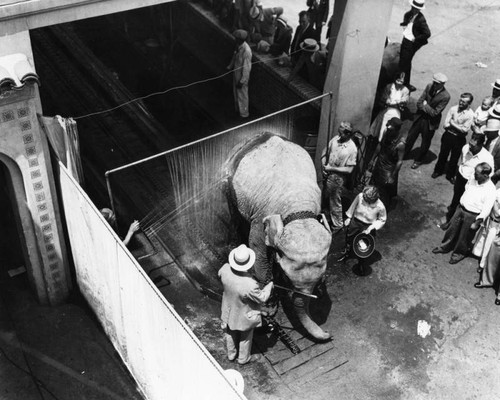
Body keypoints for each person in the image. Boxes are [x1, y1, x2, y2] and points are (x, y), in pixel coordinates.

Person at [218, 244, 273, 365]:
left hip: (228, 309)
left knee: (229, 332)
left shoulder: (225, 268)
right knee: (246, 337)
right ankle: (243, 359)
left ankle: (231, 354)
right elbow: (262, 298)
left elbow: (220, 276)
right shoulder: (250, 284)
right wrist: (269, 286)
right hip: (244, 315)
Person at [433, 163, 496, 264]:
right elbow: (467, 187)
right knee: (451, 229)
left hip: (473, 215)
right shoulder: (473, 177)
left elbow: (486, 209)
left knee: (465, 237)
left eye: (477, 173)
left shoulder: (491, 190)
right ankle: (445, 247)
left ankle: (458, 254)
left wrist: (476, 223)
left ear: (485, 175)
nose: (474, 175)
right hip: (461, 209)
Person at [441, 133, 494, 227]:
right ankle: (449, 220)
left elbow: (489, 174)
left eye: (473, 146)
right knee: (455, 199)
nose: (470, 147)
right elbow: (462, 161)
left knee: (465, 204)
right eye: (470, 144)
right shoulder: (465, 147)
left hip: (473, 183)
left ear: (481, 145)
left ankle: (457, 224)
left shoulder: (487, 158)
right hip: (461, 177)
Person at [405, 72, 450, 169]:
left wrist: (425, 105)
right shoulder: (429, 86)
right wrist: (425, 106)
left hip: (430, 122)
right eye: (434, 82)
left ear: (442, 84)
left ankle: (418, 160)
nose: (434, 85)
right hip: (420, 117)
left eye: (437, 84)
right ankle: (404, 154)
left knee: (425, 142)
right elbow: (419, 102)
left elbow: (435, 113)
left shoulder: (446, 96)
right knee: (410, 137)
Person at [338, 186, 386, 271]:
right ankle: (347, 254)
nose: (365, 201)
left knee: (364, 245)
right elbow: (353, 206)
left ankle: (361, 263)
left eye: (367, 200)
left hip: (367, 226)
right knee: (349, 237)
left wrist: (371, 227)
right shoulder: (360, 196)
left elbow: (382, 219)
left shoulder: (380, 206)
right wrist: (349, 217)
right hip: (356, 221)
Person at [321, 121, 358, 232]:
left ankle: (338, 224)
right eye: (339, 132)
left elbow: (349, 169)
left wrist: (331, 168)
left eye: (342, 134)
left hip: (337, 178)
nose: (340, 136)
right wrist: (323, 165)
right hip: (327, 173)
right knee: (325, 196)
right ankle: (325, 215)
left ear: (348, 134)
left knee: (334, 201)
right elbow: (325, 151)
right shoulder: (335, 139)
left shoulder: (352, 149)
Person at [431, 93, 474, 180]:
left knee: (454, 158)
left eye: (464, 102)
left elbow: (464, 130)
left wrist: (452, 123)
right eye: (460, 100)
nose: (461, 103)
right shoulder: (453, 109)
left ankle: (450, 175)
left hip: (459, 139)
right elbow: (445, 125)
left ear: (469, 104)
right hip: (448, 135)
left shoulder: (470, 114)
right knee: (443, 154)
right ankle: (438, 171)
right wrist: (458, 126)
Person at [370, 117, 405, 208]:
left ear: (396, 130)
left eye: (391, 130)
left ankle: (382, 209)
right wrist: (372, 159)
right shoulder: (386, 133)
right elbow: (380, 146)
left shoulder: (400, 144)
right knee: (373, 185)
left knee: (384, 192)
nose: (388, 131)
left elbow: (399, 161)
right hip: (380, 163)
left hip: (389, 169)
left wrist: (392, 176)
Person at [398, 0, 431, 92]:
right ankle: (404, 83)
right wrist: (404, 28)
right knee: (405, 62)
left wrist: (416, 39)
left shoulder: (421, 19)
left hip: (412, 44)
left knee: (404, 63)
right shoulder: (407, 14)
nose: (414, 10)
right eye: (413, 8)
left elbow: (427, 33)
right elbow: (405, 22)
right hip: (405, 40)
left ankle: (402, 83)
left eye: (417, 9)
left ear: (419, 10)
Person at [368, 73, 409, 143]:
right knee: (381, 128)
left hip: (396, 113)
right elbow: (384, 99)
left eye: (401, 81)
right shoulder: (389, 87)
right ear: (395, 79)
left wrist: (392, 103)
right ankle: (378, 142)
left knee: (392, 131)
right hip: (386, 111)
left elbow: (403, 103)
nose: (399, 83)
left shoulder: (405, 90)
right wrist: (395, 103)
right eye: (398, 80)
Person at [473, 185, 500, 278]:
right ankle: (477, 254)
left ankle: (482, 265)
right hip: (489, 219)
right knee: (482, 237)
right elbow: (491, 202)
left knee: (488, 245)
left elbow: (497, 213)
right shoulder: (498, 191)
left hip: (496, 225)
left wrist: (496, 205)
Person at [227, 29, 252, 118]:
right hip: (236, 72)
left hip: (241, 76)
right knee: (236, 93)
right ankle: (238, 111)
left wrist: (242, 81)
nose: (235, 39)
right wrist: (230, 66)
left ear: (240, 39)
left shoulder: (246, 51)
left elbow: (246, 67)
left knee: (243, 95)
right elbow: (235, 56)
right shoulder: (238, 46)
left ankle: (244, 114)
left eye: (236, 38)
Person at [484, 119, 500, 184]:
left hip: (493, 174)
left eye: (489, 131)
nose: (486, 133)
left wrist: (496, 174)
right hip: (483, 170)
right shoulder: (488, 140)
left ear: (495, 132)